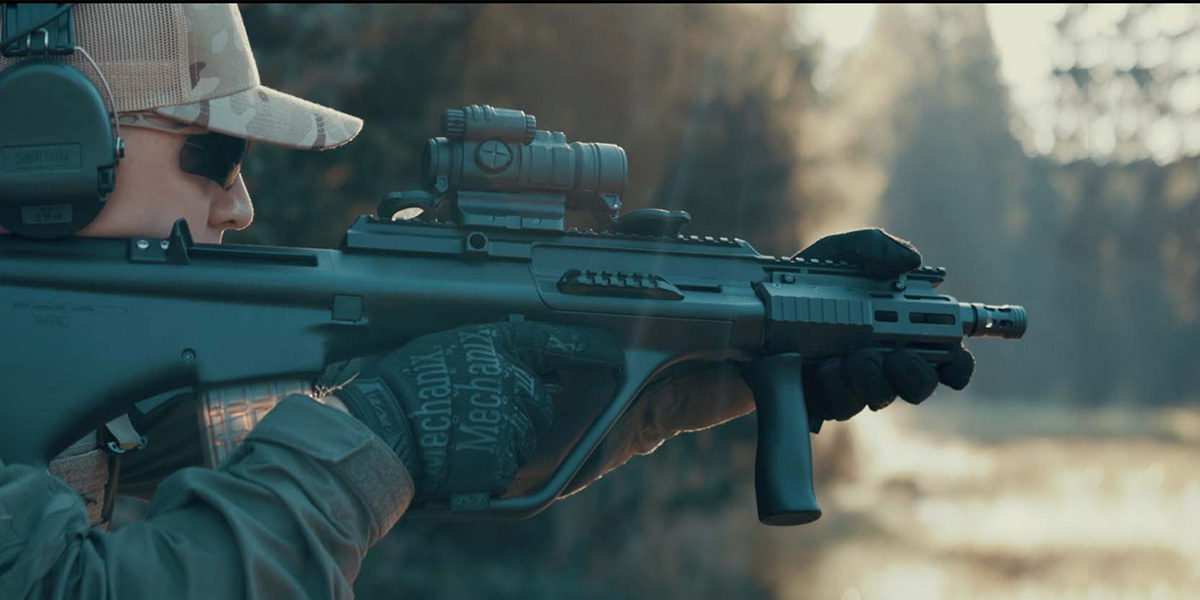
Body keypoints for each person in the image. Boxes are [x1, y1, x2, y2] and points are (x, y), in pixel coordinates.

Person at [0, 4, 975, 599]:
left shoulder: (99, 410)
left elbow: (289, 483)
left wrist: (674, 376)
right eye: (214, 156)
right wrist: (378, 433)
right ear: (40, 141)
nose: (240, 202)